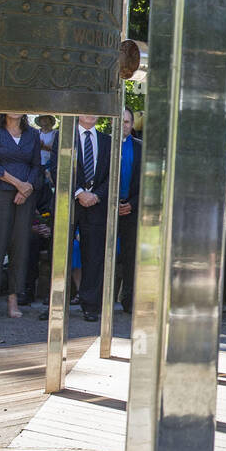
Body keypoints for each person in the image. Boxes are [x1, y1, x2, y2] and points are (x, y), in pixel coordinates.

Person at [0, 113, 42, 320]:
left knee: (21, 245)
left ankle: (14, 297)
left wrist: (27, 189)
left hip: (25, 197)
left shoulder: (33, 134)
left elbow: (37, 166)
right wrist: (19, 184)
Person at [70, 115, 111, 322]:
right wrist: (78, 192)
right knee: (60, 252)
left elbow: (112, 173)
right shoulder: (65, 135)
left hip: (96, 205)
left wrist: (96, 195)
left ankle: (91, 305)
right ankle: (54, 304)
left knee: (93, 256)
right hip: (69, 204)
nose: (90, 113)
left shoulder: (107, 140)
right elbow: (57, 166)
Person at [114, 108, 142, 314]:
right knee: (102, 255)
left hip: (132, 209)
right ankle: (99, 300)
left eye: (126, 122)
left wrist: (132, 203)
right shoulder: (104, 144)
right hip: (104, 208)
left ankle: (129, 300)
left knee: (131, 257)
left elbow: (147, 182)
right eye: (120, 120)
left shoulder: (142, 148)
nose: (123, 124)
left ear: (132, 125)